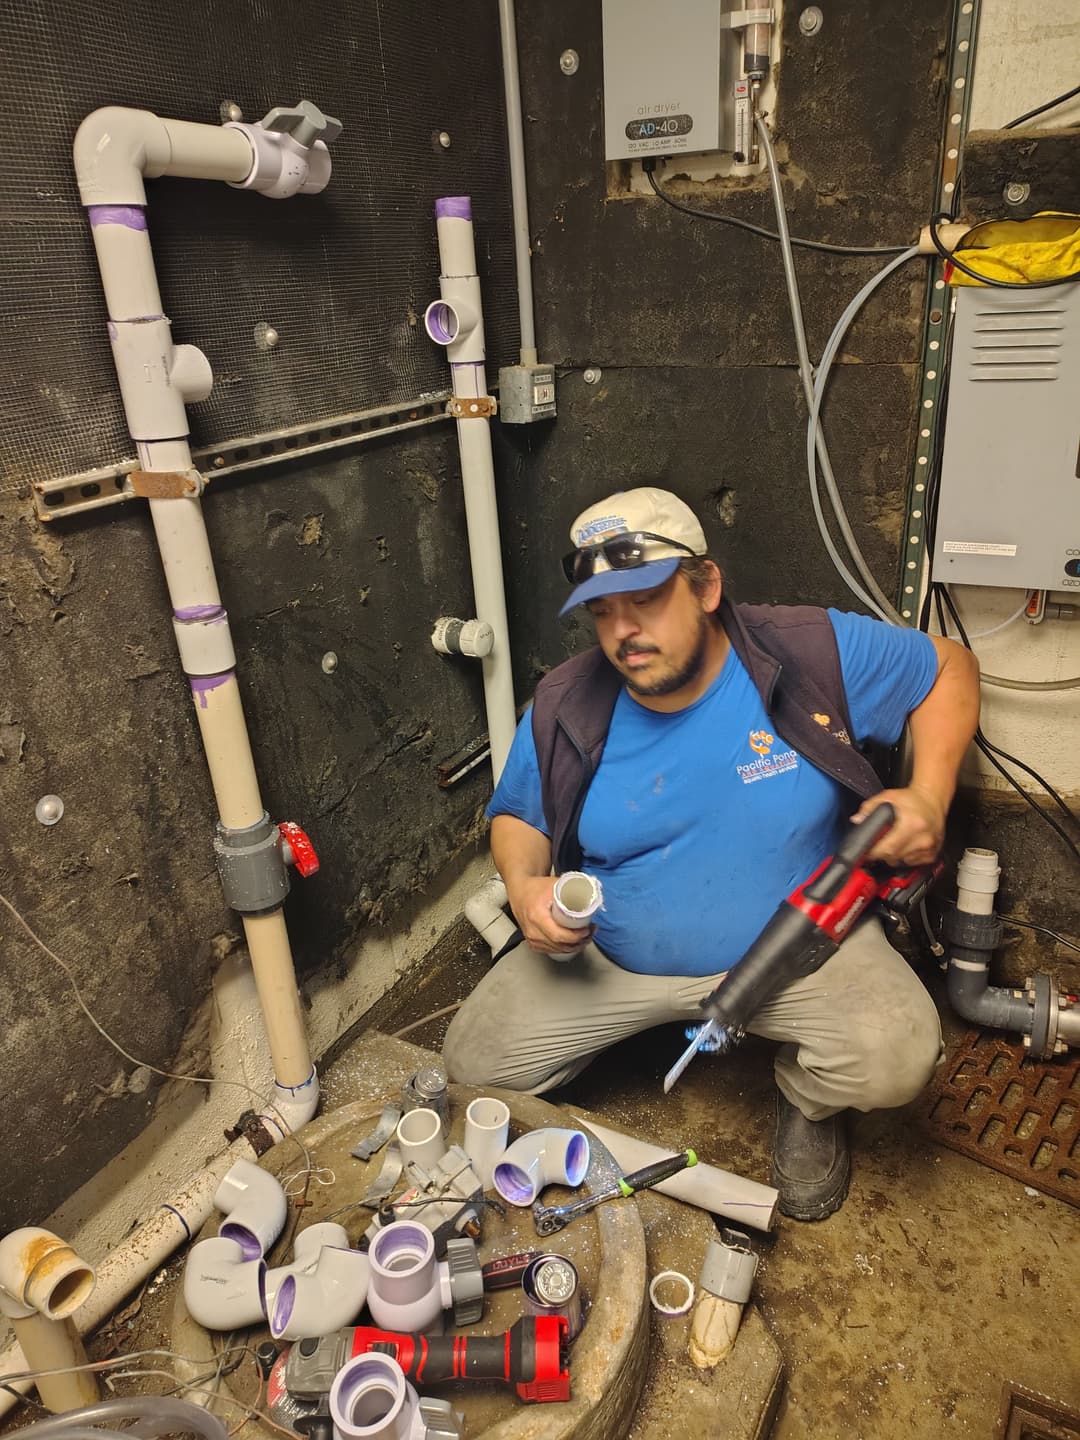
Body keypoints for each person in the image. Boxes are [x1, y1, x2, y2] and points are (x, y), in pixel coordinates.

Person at [443, 487, 980, 1220]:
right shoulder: (567, 702)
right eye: (602, 611)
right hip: (612, 955)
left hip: (800, 944)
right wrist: (526, 884)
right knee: (470, 1064)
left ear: (706, 587)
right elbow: (518, 815)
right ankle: (631, 1036)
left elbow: (948, 667)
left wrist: (930, 794)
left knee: (898, 1052)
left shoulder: (807, 650)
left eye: (646, 599)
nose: (623, 631)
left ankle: (810, 1103)